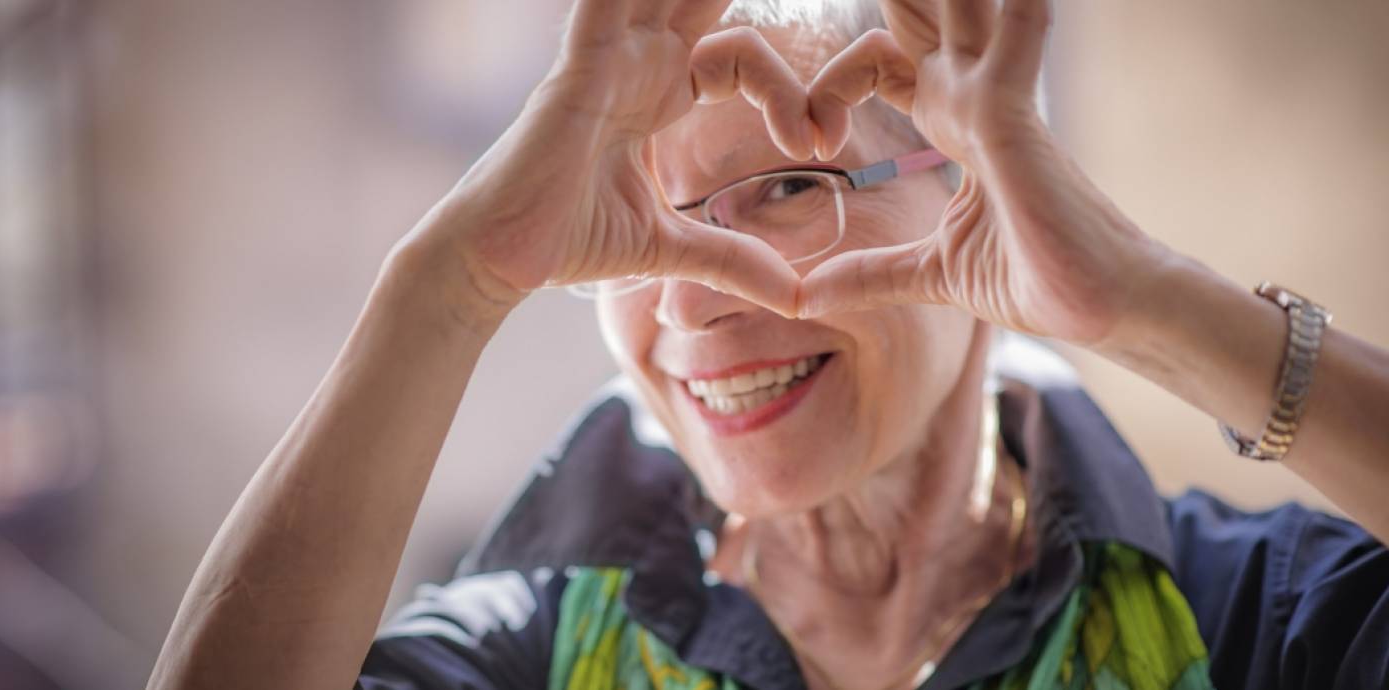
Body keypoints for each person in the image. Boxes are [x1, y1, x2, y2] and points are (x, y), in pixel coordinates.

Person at [145, 0, 1389, 688]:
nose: (687, 304)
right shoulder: (533, 653)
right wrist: (447, 289)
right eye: (629, 231)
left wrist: (1153, 301)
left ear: (984, 193)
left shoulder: (1243, 628)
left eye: (791, 187)